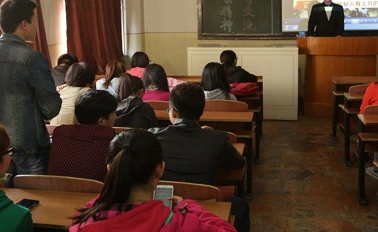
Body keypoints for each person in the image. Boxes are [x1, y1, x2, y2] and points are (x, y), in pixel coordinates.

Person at [69, 129, 236, 232]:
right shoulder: (178, 224)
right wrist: (188, 206)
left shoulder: (83, 221)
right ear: (160, 170)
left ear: (109, 169)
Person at [0, 0, 61, 176]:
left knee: (2, 199)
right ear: (24, 24)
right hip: (29, 148)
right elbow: (51, 108)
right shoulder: (32, 58)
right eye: (35, 20)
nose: (37, 25)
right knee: (33, 201)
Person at [149, 83, 248, 232]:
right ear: (201, 112)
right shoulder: (216, 139)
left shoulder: (152, 137)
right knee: (240, 205)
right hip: (204, 203)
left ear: (173, 113)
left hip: (164, 202)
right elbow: (238, 164)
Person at [48, 90, 117, 181]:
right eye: (114, 113)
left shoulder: (60, 132)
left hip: (54, 189)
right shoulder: (111, 138)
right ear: (101, 121)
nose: (116, 116)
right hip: (95, 192)